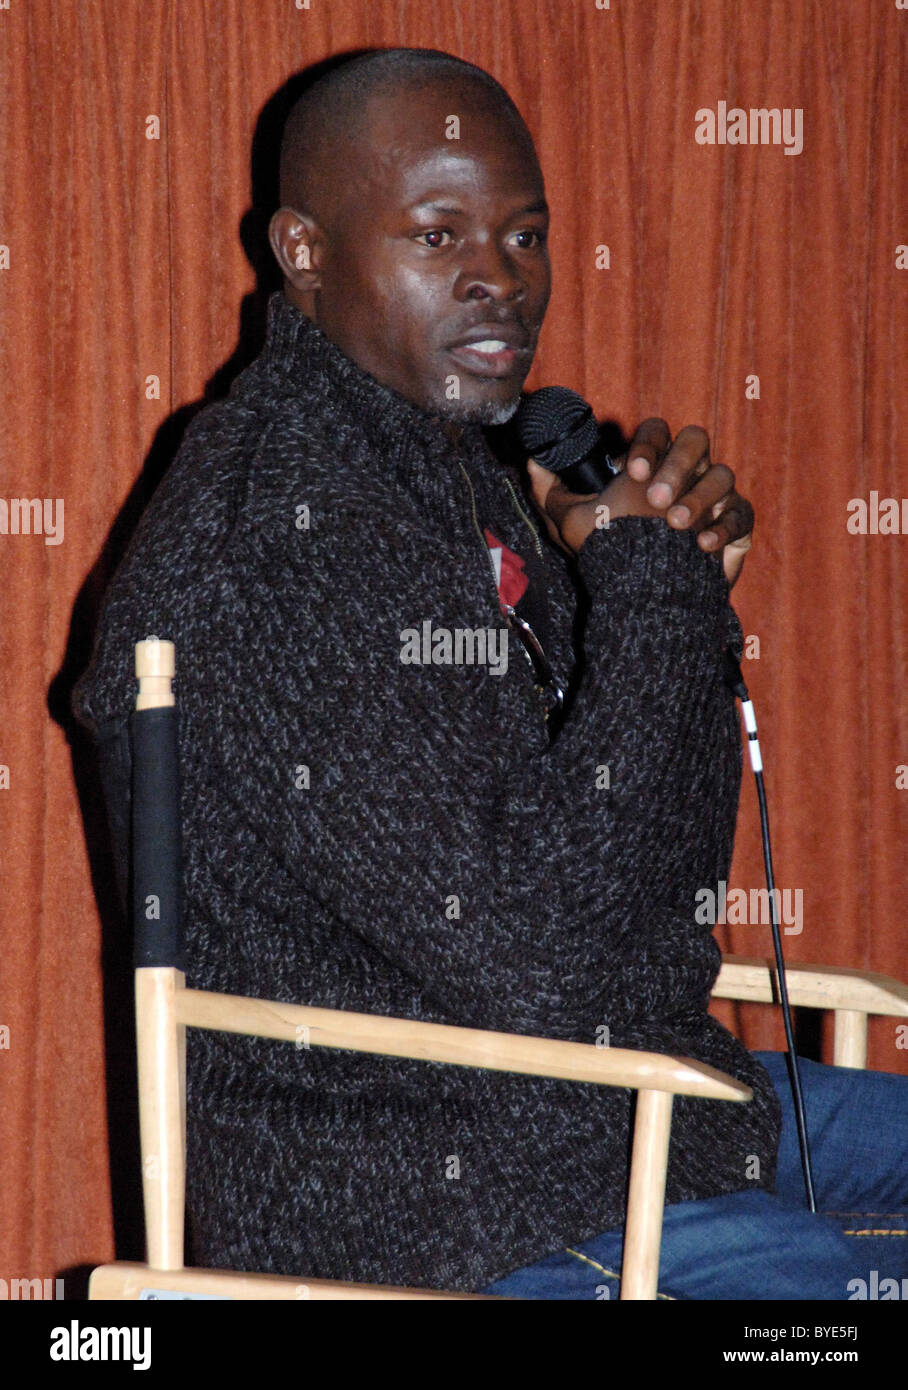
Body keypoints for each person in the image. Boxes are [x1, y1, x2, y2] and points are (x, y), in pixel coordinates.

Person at [73, 47, 907, 1299]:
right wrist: (656, 603)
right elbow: (545, 948)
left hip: (592, 1093)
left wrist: (653, 592)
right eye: (437, 233)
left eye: (525, 238)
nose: (497, 281)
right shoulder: (292, 521)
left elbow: (595, 878)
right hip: (432, 1176)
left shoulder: (433, 454)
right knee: (823, 1304)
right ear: (303, 252)